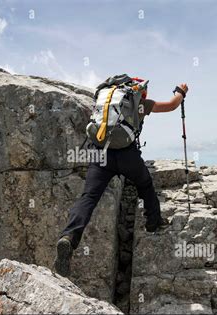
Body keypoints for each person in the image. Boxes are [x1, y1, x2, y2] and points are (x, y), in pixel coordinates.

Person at [54, 80, 189, 277]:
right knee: (144, 184)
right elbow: (171, 105)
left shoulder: (106, 102)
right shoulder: (141, 103)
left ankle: (69, 237)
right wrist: (181, 92)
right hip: (127, 155)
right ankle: (153, 221)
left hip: (101, 154)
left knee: (89, 197)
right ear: (139, 92)